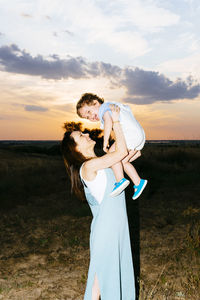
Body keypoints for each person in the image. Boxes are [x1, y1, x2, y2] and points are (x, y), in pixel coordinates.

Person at [61, 105, 135, 300]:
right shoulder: (88, 167)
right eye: (80, 136)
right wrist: (116, 121)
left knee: (100, 280)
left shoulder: (103, 161)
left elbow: (121, 154)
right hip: (106, 230)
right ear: (75, 149)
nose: (86, 134)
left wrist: (132, 151)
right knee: (101, 280)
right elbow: (119, 153)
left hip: (117, 227)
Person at [76, 93, 147, 200]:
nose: (91, 117)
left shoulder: (104, 108)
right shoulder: (113, 106)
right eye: (87, 117)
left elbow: (109, 122)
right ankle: (138, 182)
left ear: (96, 103)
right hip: (139, 135)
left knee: (112, 154)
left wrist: (105, 142)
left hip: (130, 134)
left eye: (89, 111)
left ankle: (120, 180)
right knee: (123, 162)